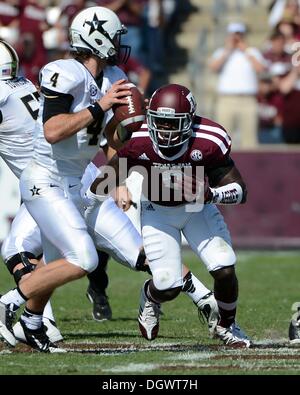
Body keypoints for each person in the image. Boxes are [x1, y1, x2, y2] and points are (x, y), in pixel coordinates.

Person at [0, 6, 133, 353]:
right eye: (115, 36)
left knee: (57, 261)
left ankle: (32, 323)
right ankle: (7, 305)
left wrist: (117, 173)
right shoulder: (65, 72)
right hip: (45, 180)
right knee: (82, 259)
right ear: (97, 38)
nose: (119, 43)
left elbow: (111, 141)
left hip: (77, 181)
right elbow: (52, 130)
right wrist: (102, 106)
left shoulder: (112, 75)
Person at [91, 83, 251, 348]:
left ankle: (226, 326)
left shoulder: (209, 139)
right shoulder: (137, 137)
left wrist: (211, 194)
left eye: (171, 123)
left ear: (189, 121)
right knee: (168, 286)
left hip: (196, 209)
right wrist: (93, 200)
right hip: (157, 210)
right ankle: (150, 296)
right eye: (160, 122)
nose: (164, 130)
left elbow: (240, 190)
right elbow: (106, 179)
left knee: (224, 267)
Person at [0, 39, 62, 343]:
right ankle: (41, 321)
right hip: (61, 177)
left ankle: (36, 318)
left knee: (82, 258)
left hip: (48, 186)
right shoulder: (24, 83)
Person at [209, 22, 266, 149]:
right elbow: (213, 67)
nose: (236, 37)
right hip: (226, 100)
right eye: (234, 34)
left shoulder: (252, 52)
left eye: (239, 34)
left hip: (248, 100)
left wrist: (246, 50)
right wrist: (228, 50)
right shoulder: (221, 52)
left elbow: (261, 69)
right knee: (222, 140)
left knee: (250, 141)